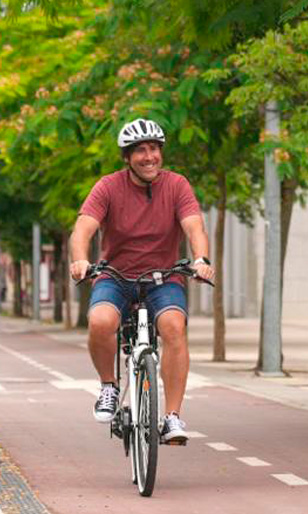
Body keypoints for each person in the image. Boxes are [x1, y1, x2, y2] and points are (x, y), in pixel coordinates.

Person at [69, 118, 214, 444]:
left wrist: (201, 259)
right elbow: (82, 229)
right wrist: (80, 259)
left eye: (154, 149)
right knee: (100, 321)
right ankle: (108, 386)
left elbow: (194, 228)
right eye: (141, 151)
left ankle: (172, 417)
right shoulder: (107, 186)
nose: (149, 156)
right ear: (127, 158)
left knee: (174, 327)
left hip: (164, 277)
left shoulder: (177, 185)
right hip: (116, 276)